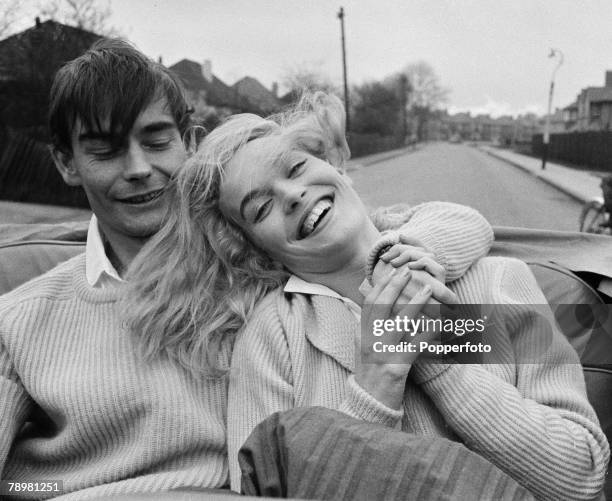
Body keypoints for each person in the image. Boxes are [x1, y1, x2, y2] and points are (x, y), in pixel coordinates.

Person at [0, 40, 499, 500]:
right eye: (105, 151)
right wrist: (38, 489)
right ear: (66, 164)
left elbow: (435, 223)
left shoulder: (264, 261)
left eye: (155, 142)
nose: (136, 168)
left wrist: (397, 267)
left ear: (188, 142)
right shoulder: (19, 321)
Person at [124, 92, 609, 501]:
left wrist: (439, 361)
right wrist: (375, 389)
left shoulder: (503, 281)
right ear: (255, 248)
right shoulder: (271, 339)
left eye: (295, 167)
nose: (292, 195)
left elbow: (583, 476)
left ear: (334, 165)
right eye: (262, 206)